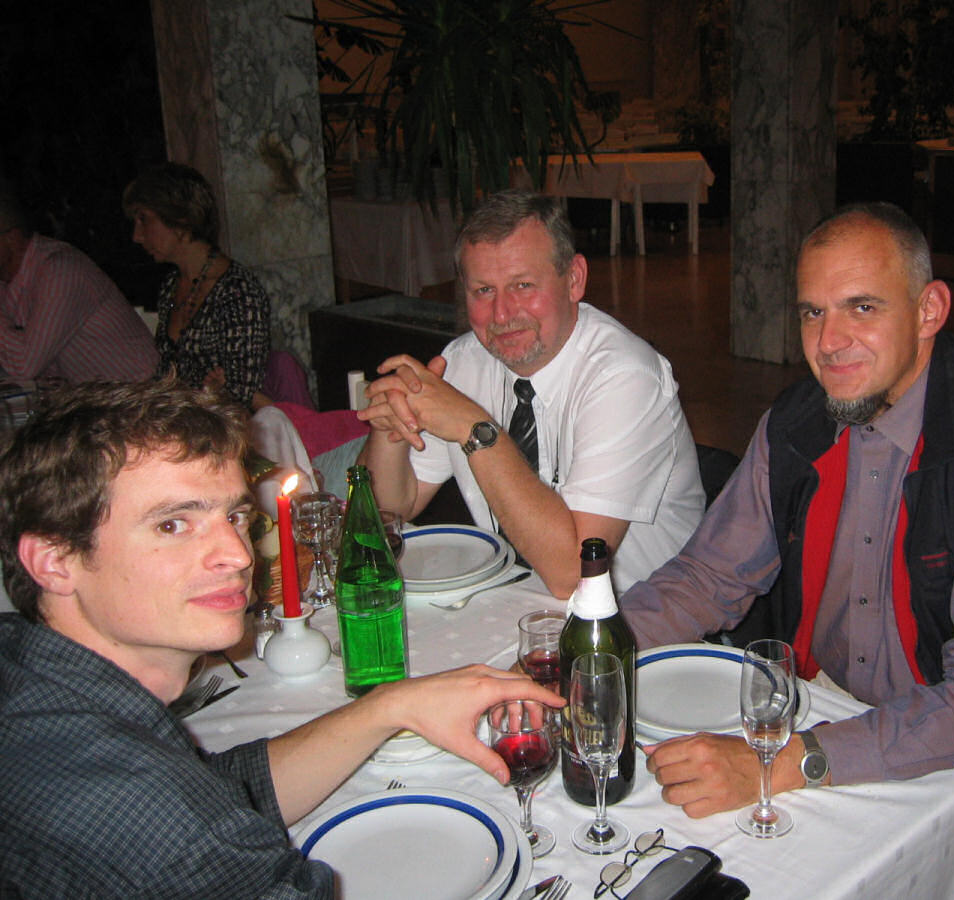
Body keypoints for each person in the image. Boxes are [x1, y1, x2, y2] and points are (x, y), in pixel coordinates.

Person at [619, 202, 954, 881]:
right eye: (812, 312)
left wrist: (788, 761)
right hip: (826, 707)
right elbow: (709, 576)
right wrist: (590, 652)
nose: (829, 341)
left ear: (929, 310)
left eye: (862, 308)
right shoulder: (797, 420)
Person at [0, 378, 562, 897]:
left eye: (235, 517)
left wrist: (391, 706)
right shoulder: (152, 821)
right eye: (173, 524)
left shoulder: (35, 685)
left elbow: (218, 790)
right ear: (54, 561)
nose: (238, 555)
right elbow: (183, 823)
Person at [358, 190, 705, 598]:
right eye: (483, 291)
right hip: (518, 604)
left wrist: (475, 428)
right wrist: (391, 427)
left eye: (523, 285)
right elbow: (390, 510)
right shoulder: (462, 363)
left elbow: (575, 574)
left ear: (574, 279)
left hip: (637, 617)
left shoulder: (627, 378)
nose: (502, 314)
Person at [123, 163, 270, 410]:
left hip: (222, 425)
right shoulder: (172, 284)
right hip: (182, 418)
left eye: (144, 219)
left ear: (180, 219)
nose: (137, 236)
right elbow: (166, 374)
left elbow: (241, 394)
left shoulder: (237, 292)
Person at [0, 179, 158, 383]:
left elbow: (24, 366)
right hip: (96, 394)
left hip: (141, 392)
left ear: (11, 238)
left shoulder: (59, 270)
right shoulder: (10, 279)